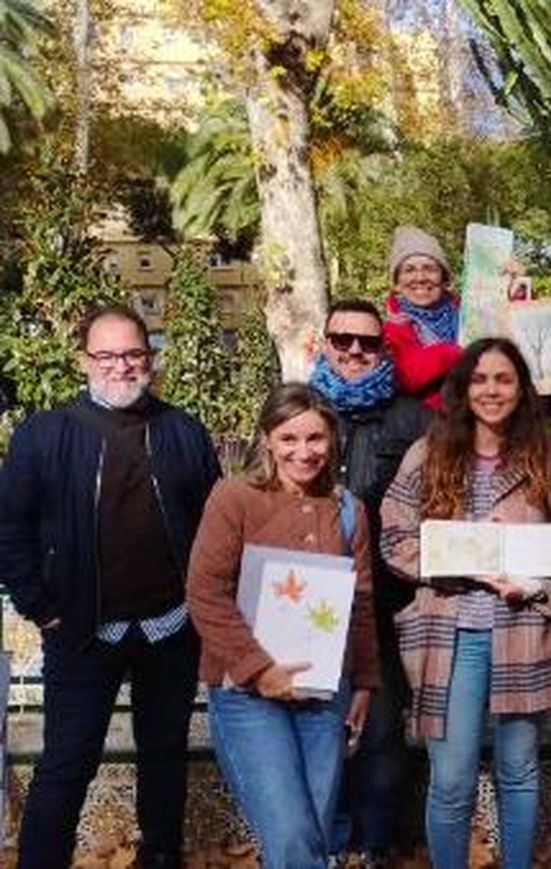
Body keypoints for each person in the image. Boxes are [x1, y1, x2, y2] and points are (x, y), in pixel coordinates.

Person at [0, 304, 221, 869]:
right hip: (81, 629)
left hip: (170, 625)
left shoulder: (184, 432)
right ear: (84, 360)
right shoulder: (45, 434)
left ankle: (161, 856)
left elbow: (216, 527)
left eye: (133, 354)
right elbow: (10, 528)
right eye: (106, 355)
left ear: (151, 357)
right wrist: (41, 607)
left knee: (164, 754)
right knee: (67, 761)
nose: (121, 366)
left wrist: (202, 607)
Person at [380, 338, 551, 868]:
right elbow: (394, 539)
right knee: (452, 780)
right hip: (450, 634)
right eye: (479, 379)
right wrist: (456, 561)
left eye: (503, 379)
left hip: (523, 629)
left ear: (521, 390)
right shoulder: (427, 454)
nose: (491, 390)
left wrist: (538, 588)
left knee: (518, 771)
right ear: (462, 388)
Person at [186, 383, 381, 868]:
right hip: (248, 693)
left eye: (315, 438)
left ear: (332, 439)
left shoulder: (349, 510)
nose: (303, 451)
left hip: (324, 691)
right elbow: (205, 593)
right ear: (267, 440)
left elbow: (360, 601)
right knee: (291, 833)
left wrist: (365, 683)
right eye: (289, 438)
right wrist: (259, 669)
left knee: (314, 830)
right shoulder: (234, 498)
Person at [309, 298, 429, 863]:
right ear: (324, 343)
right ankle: (330, 841)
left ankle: (378, 843)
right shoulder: (299, 407)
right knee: (316, 724)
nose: (355, 351)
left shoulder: (414, 419)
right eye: (343, 340)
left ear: (384, 348)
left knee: (380, 727)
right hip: (306, 596)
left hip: (382, 597)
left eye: (368, 342)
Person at [382, 225, 462, 405]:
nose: (420, 277)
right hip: (427, 418)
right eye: (409, 270)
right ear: (397, 284)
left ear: (444, 278)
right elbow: (407, 376)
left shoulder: (468, 311)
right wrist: (457, 352)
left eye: (430, 269)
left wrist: (513, 287)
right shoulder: (392, 330)